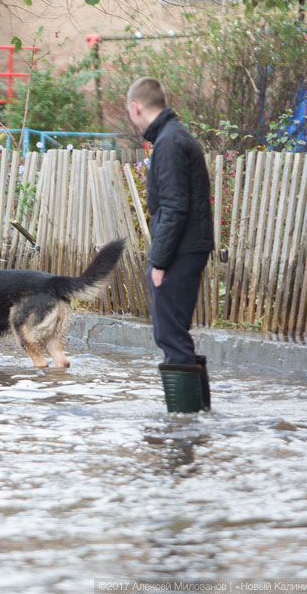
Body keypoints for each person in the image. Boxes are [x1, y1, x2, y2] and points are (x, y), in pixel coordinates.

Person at [126, 77, 215, 412]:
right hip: (187, 247)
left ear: (136, 107)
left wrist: (159, 262)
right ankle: (197, 416)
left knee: (170, 335)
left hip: (180, 251)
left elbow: (175, 207)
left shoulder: (169, 142)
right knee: (176, 333)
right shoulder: (173, 136)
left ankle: (184, 425)